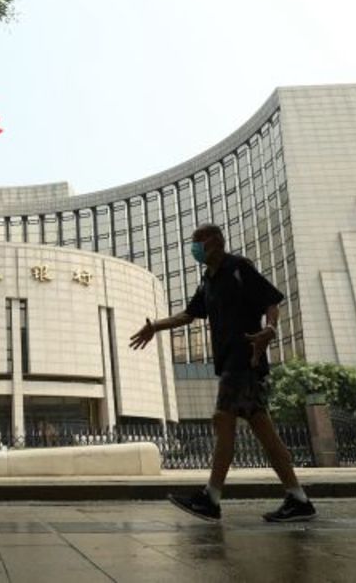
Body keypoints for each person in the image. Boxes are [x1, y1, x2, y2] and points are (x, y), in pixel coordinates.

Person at [129, 224, 316, 523]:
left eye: (197, 242)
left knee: (223, 421)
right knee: (265, 434)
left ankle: (211, 498)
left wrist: (269, 329)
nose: (194, 248)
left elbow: (270, 301)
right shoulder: (208, 280)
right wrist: (155, 327)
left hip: (244, 358)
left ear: (214, 242)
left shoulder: (239, 267)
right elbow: (189, 315)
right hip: (231, 362)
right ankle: (298, 498)